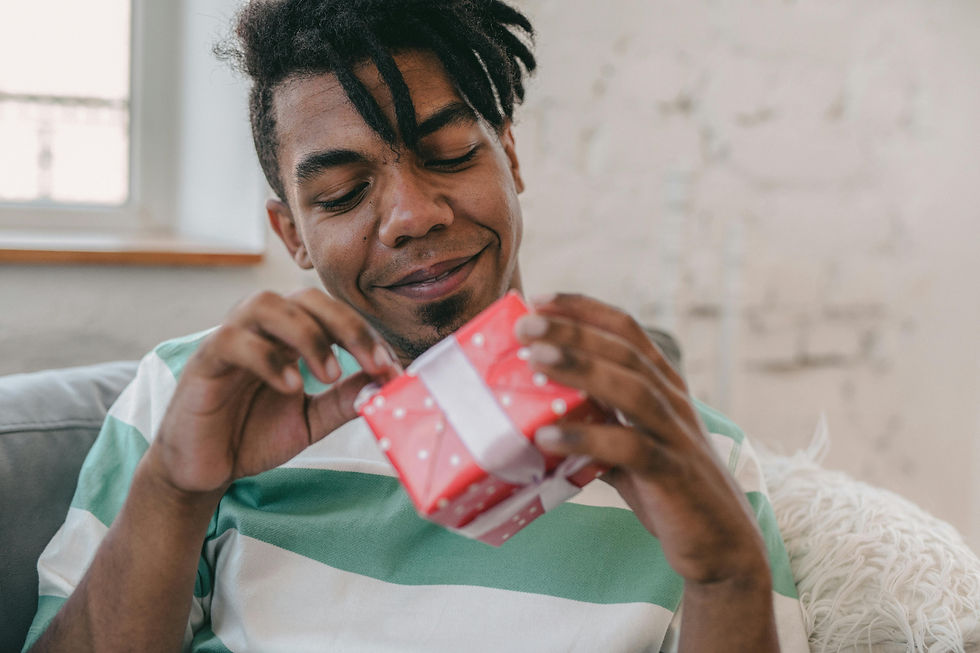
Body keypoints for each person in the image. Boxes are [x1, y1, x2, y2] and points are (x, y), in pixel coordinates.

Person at [24, 1, 807, 651]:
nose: (412, 214)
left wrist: (728, 578)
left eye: (447, 152)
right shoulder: (190, 402)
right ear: (290, 232)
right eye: (339, 193)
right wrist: (174, 489)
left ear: (508, 153)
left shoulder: (694, 461)